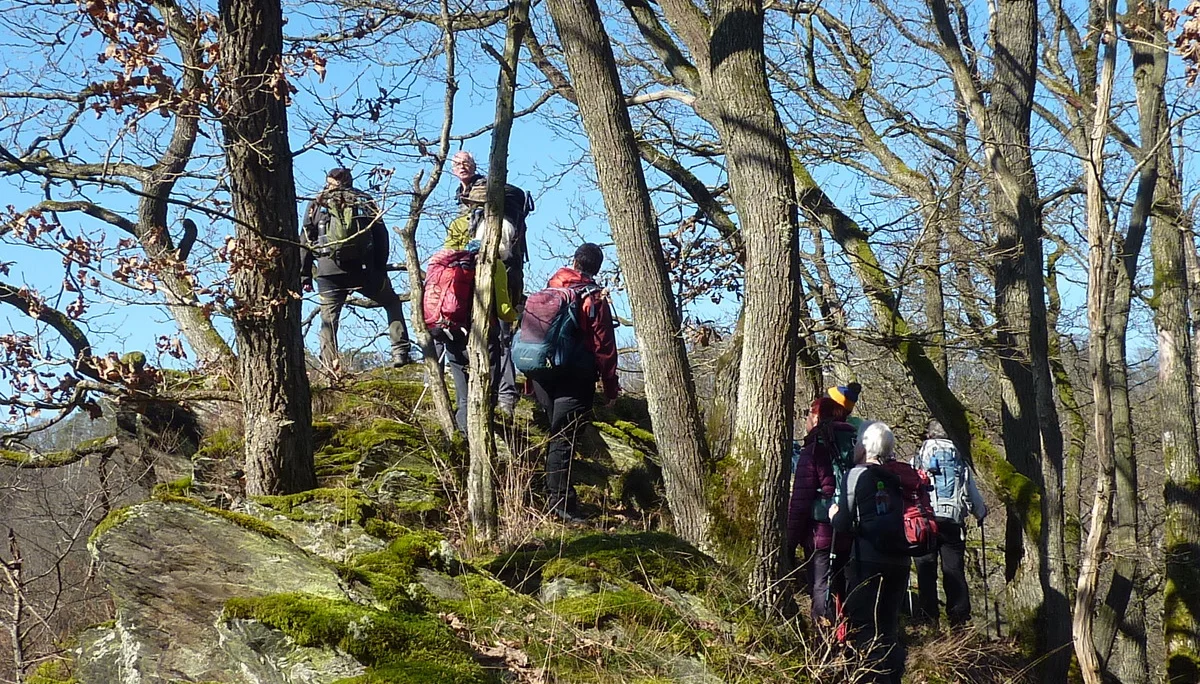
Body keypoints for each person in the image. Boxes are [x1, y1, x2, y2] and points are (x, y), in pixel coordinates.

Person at [530, 243, 619, 521]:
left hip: (542, 373)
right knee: (563, 439)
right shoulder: (593, 298)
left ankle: (552, 498)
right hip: (574, 374)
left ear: (574, 261)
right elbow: (603, 346)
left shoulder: (550, 289)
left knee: (557, 436)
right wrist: (610, 386)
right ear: (597, 267)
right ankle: (561, 507)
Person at [302, 167, 411, 371]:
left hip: (328, 272)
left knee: (328, 321)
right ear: (350, 180)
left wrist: (305, 276)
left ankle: (330, 367)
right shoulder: (363, 200)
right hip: (363, 270)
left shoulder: (316, 204)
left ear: (328, 181)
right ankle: (400, 351)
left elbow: (306, 240)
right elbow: (381, 236)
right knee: (391, 301)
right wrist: (378, 267)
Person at [830, 421, 909, 684]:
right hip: (900, 560)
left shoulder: (855, 474)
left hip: (868, 559)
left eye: (857, 443)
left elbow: (843, 523)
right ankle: (891, 677)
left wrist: (833, 515)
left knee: (862, 624)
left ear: (864, 446)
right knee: (888, 625)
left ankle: (868, 679)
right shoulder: (894, 476)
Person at [446, 183, 522, 415]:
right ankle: (503, 396)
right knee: (502, 342)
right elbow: (504, 308)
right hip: (491, 306)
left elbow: (448, 251)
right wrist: (517, 315)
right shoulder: (503, 231)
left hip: (462, 306)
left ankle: (472, 407)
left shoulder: (464, 229)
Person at [430, 240, 518, 435]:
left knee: (463, 397)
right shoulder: (496, 266)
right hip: (484, 338)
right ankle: (481, 436)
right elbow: (504, 310)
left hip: (453, 333)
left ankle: (464, 440)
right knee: (487, 391)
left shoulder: (455, 267)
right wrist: (517, 315)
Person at [787, 397, 856, 628]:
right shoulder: (857, 444)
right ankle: (850, 639)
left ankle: (825, 646)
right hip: (852, 530)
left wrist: (789, 542)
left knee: (821, 589)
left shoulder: (815, 448)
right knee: (844, 589)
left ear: (816, 417)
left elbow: (800, 502)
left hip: (821, 534)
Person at [912, 419, 988, 628]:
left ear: (929, 435)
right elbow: (970, 490)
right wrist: (980, 512)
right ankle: (959, 620)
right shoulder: (959, 459)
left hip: (924, 522)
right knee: (953, 570)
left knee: (926, 570)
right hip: (953, 521)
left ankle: (928, 620)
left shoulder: (919, 457)